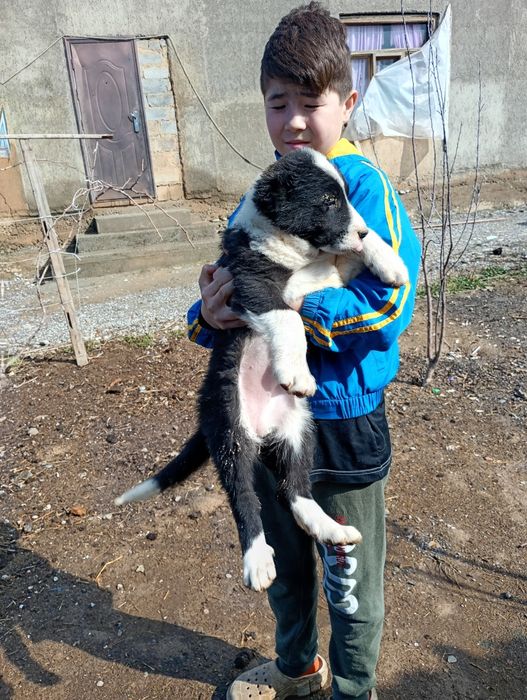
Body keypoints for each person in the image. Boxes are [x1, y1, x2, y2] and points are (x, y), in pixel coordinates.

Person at [186, 3, 421, 699]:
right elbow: (233, 280)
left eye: (309, 103)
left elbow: (387, 306)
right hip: (269, 418)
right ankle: (297, 670)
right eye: (276, 102)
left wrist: (293, 310)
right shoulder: (265, 194)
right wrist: (209, 314)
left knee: (348, 580)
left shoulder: (363, 189)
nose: (291, 121)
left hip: (343, 423)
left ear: (347, 104)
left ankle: (353, 688)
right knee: (287, 568)